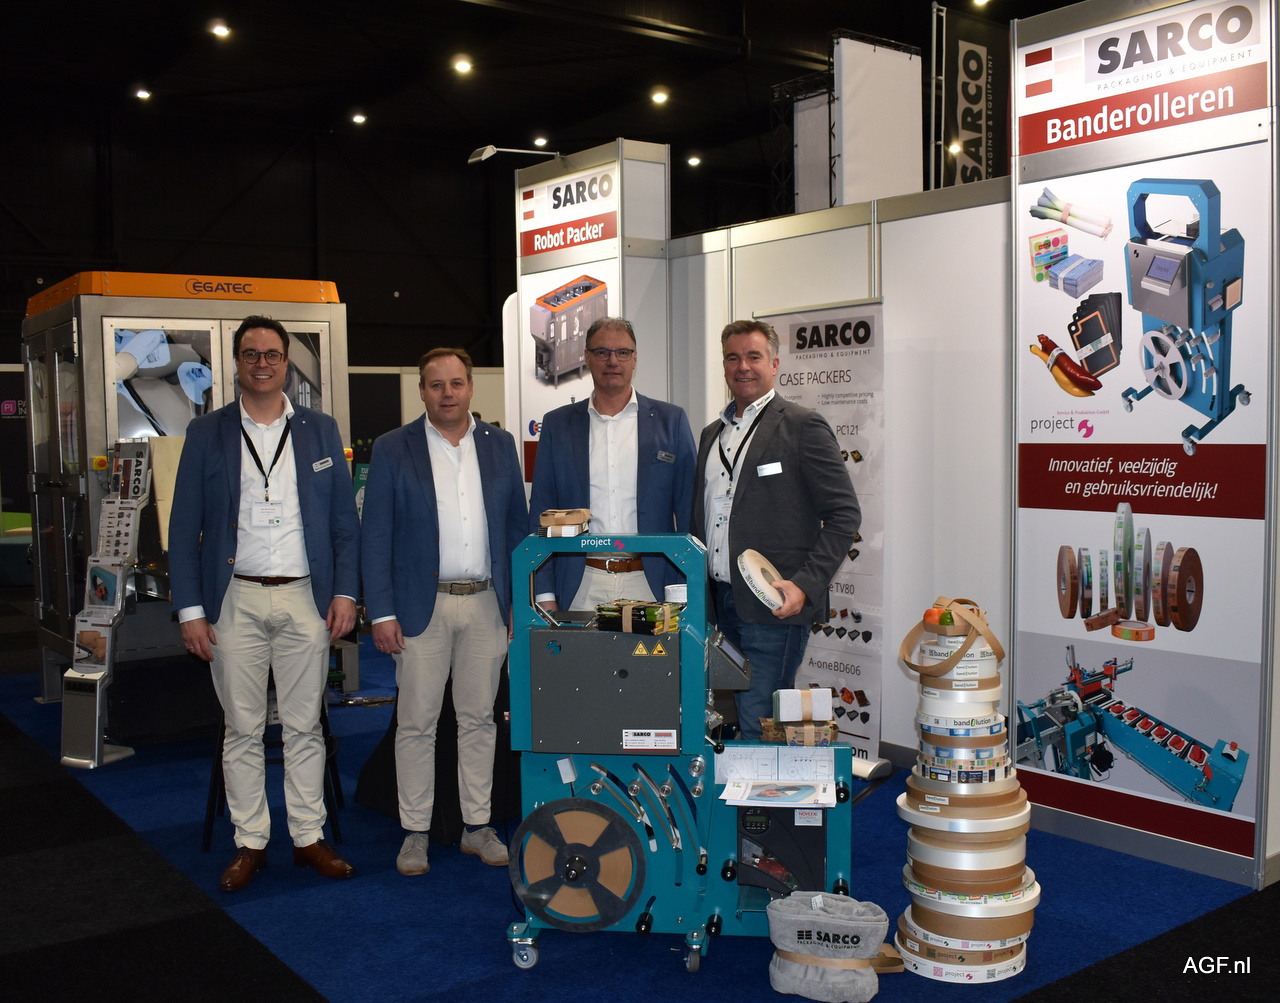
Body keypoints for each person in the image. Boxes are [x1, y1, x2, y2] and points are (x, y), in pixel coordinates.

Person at [169, 315, 360, 892]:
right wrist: (190, 611)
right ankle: (250, 842)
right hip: (235, 600)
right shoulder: (207, 432)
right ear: (236, 363)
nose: (261, 363)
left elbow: (343, 524)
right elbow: (183, 527)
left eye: (272, 354)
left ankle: (307, 837)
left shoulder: (321, 430)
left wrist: (345, 592)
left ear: (286, 363)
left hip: (306, 598)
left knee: (305, 726)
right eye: (250, 354)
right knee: (242, 729)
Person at [361, 348, 528, 876]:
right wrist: (380, 612)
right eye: (436, 385)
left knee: (480, 720)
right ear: (422, 391)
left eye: (456, 383)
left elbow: (517, 529)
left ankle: (478, 826)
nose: (447, 393)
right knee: (416, 723)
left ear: (471, 387)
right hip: (420, 608)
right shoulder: (393, 448)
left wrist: (518, 603)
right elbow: (375, 536)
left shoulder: (500, 445)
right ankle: (415, 831)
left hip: (486, 605)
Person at [692, 319, 860, 741]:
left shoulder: (803, 426)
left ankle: (763, 788)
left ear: (774, 364)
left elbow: (844, 515)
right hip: (718, 603)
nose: (742, 367)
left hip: (773, 605)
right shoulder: (711, 435)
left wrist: (804, 585)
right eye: (732, 358)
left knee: (758, 721)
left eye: (754, 356)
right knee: (724, 718)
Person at [528, 317, 696, 611]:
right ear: (587, 357)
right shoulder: (557, 425)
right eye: (602, 352)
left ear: (635, 358)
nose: (613, 361)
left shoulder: (671, 421)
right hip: (580, 583)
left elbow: (688, 513)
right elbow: (542, 511)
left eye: (623, 352)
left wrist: (686, 588)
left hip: (652, 583)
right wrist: (544, 594)